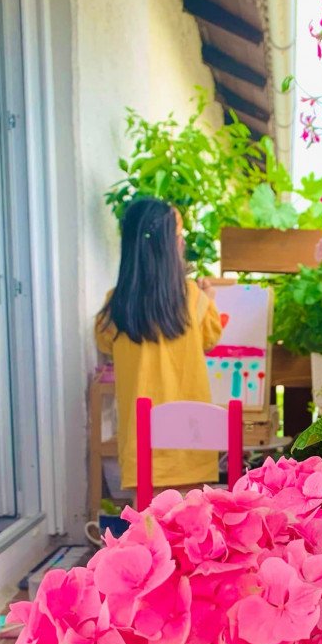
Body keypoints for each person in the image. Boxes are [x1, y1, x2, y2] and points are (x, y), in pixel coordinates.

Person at [95, 197, 223, 493]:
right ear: (171, 246)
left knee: (150, 530)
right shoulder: (194, 297)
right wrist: (210, 300)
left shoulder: (117, 304)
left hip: (142, 449)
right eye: (179, 237)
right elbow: (211, 338)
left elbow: (104, 342)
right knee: (192, 528)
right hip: (193, 442)